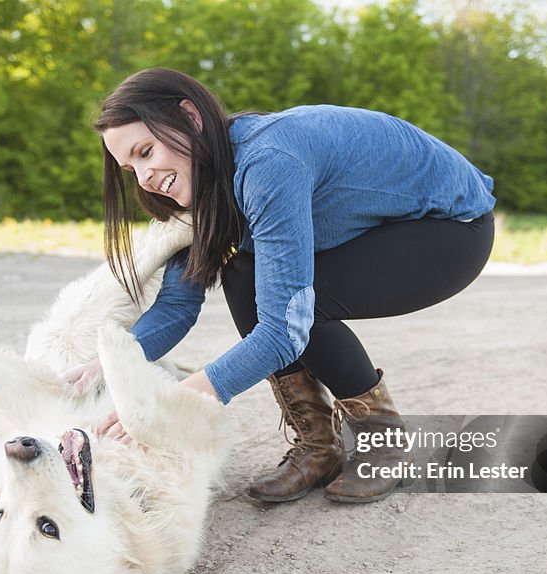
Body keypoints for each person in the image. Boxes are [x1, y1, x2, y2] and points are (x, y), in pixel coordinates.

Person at [70, 67, 496, 504]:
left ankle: (382, 443)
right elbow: (178, 307)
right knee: (242, 277)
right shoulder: (198, 179)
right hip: (376, 229)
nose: (143, 178)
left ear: (190, 117)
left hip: (449, 229)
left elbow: (282, 332)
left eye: (146, 151)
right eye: (129, 168)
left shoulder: (267, 161)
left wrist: (174, 404)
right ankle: (319, 447)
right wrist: (114, 361)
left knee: (301, 304)